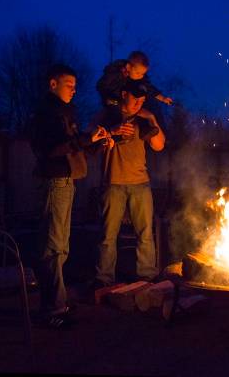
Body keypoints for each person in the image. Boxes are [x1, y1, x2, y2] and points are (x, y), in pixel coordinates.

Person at [29, 64, 109, 328]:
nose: (74, 90)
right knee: (53, 246)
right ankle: (53, 309)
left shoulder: (64, 112)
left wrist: (96, 141)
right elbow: (51, 149)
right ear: (53, 84)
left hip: (65, 182)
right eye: (68, 85)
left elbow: (75, 149)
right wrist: (85, 139)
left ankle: (58, 302)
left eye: (75, 86)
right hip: (55, 181)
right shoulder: (47, 113)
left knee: (60, 245)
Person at [92, 80, 166, 287]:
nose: (138, 103)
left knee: (145, 234)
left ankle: (147, 276)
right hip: (112, 183)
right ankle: (104, 279)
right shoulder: (107, 115)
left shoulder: (143, 118)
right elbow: (89, 140)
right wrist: (113, 130)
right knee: (107, 236)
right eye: (135, 99)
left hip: (140, 183)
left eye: (142, 100)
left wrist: (151, 118)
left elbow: (159, 145)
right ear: (124, 94)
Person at [96, 51, 172, 142]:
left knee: (139, 109)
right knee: (116, 113)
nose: (140, 76)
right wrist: (108, 96)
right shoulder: (114, 73)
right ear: (128, 67)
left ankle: (145, 130)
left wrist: (163, 98)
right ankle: (117, 137)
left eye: (142, 74)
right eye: (137, 73)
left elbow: (149, 88)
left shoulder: (138, 78)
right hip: (112, 99)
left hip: (125, 100)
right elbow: (101, 85)